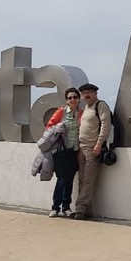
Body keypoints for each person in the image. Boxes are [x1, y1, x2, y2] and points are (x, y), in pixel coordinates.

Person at [73, 83, 111, 220]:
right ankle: (88, 210)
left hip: (92, 148)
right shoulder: (86, 108)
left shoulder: (100, 106)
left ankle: (80, 209)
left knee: (88, 180)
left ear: (95, 93)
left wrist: (99, 144)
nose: (86, 95)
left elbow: (106, 125)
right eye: (84, 93)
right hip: (81, 148)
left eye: (89, 92)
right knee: (82, 180)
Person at [48, 88, 82, 218]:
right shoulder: (61, 112)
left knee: (69, 180)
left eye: (75, 97)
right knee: (61, 179)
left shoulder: (82, 113)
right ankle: (55, 207)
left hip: (74, 151)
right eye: (70, 98)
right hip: (61, 151)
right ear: (66, 100)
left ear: (78, 99)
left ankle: (66, 207)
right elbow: (49, 126)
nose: (72, 99)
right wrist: (58, 129)